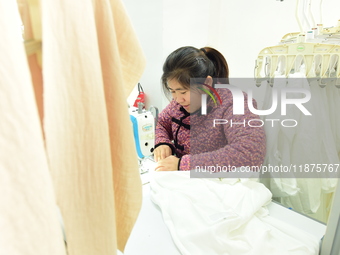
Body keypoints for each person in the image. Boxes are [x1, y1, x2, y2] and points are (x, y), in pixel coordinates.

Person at [153, 46, 266, 171]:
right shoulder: (178, 104)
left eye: (183, 92)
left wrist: (183, 164)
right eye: (173, 91)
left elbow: (251, 153)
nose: (178, 99)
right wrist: (162, 142)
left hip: (222, 183)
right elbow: (162, 123)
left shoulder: (235, 103)